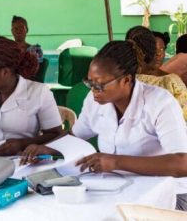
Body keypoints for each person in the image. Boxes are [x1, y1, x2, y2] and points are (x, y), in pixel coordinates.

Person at [22, 40, 187, 209]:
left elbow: (182, 164)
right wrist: (49, 148)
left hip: (167, 193)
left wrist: (116, 162)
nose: (93, 90)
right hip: (118, 189)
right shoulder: (95, 102)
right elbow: (75, 136)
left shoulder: (160, 103)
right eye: (89, 83)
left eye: (99, 85)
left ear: (126, 80)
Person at [126, 26, 187, 120]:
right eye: (154, 49)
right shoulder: (127, 80)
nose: (159, 54)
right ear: (141, 51)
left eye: (162, 49)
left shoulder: (172, 80)